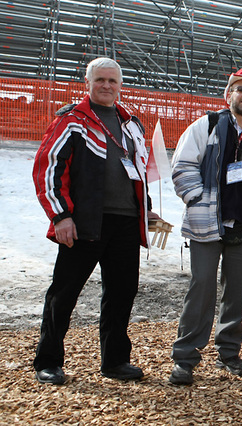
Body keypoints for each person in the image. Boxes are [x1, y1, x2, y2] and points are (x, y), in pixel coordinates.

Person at [32, 57, 157, 384]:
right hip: (85, 222)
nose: (106, 86)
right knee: (64, 293)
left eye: (112, 81)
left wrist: (148, 210)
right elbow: (48, 169)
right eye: (100, 80)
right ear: (87, 83)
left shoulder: (132, 123)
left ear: (120, 85)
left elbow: (141, 170)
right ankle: (48, 360)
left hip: (127, 223)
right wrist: (61, 215)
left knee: (121, 294)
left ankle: (115, 361)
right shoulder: (72, 119)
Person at [168, 68, 242, 385]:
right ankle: (185, 358)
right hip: (207, 225)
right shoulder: (207, 125)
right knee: (201, 287)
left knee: (237, 293)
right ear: (228, 94)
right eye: (241, 89)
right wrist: (197, 200)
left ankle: (228, 353)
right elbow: (183, 164)